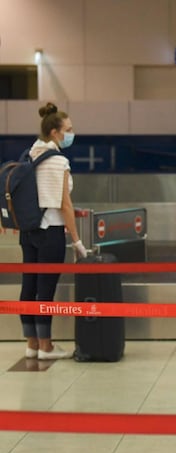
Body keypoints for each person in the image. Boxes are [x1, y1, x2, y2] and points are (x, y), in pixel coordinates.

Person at [21, 103, 88, 360]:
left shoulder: (29, 154)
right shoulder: (58, 160)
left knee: (28, 288)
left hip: (28, 231)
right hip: (51, 233)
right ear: (54, 133)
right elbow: (64, 205)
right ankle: (46, 347)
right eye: (68, 130)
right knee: (45, 290)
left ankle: (32, 344)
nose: (71, 134)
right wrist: (77, 241)